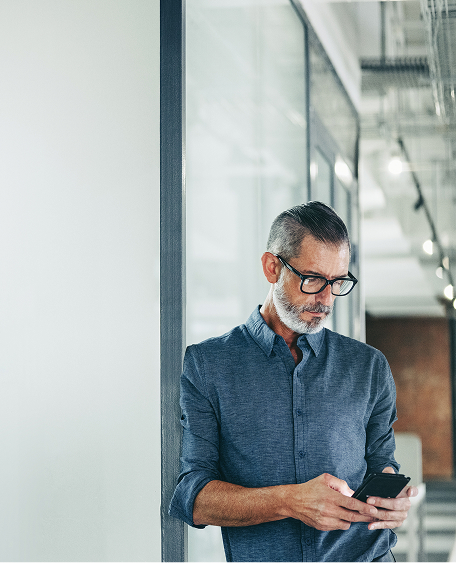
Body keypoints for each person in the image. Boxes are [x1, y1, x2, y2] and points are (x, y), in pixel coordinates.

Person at [169, 201, 418, 562]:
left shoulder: (368, 366)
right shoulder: (209, 365)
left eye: (337, 282)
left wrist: (390, 499)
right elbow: (193, 498)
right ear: (272, 267)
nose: (325, 298)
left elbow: (382, 460)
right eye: (313, 278)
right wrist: (289, 501)